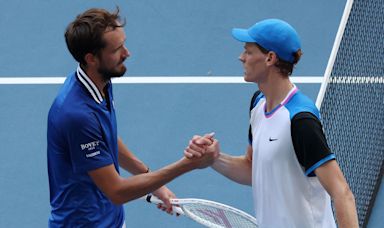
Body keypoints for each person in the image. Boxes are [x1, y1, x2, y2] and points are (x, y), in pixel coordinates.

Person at [47, 7, 217, 227]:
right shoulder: (77, 115)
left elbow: (106, 140)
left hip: (109, 219)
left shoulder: (99, 82)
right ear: (92, 59)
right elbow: (117, 191)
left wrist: (154, 182)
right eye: (117, 49)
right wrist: (188, 164)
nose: (127, 53)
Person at [184, 19, 359, 227]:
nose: (241, 58)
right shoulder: (258, 104)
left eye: (248, 51)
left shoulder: (300, 120)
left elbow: (342, 193)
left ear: (269, 58)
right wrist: (214, 159)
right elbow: (253, 169)